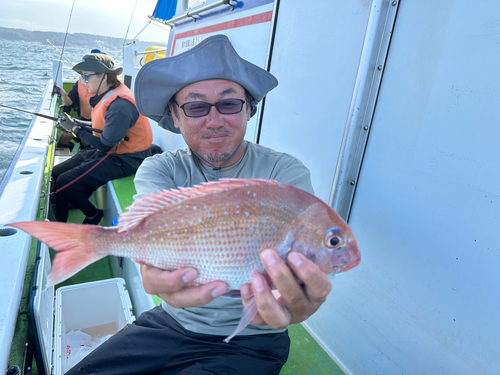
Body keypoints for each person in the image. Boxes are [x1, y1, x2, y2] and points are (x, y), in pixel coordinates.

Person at [66, 35, 332, 374]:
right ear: (175, 118)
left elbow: (303, 255)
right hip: (171, 321)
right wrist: (152, 271)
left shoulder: (285, 173)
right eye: (195, 107)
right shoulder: (160, 168)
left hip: (254, 337)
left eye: (229, 103)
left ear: (249, 108)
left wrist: (296, 299)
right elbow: (150, 230)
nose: (215, 119)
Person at [52, 53, 153, 224]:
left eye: (87, 76)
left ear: (104, 77)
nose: (84, 82)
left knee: (65, 181)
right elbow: (100, 127)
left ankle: (92, 214)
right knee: (57, 172)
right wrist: (74, 122)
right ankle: (60, 219)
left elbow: (105, 146)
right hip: (114, 150)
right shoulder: (110, 94)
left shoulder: (120, 105)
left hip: (126, 158)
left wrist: (75, 128)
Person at [56, 49, 102, 150]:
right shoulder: (79, 83)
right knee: (64, 137)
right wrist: (63, 93)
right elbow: (69, 102)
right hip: (82, 120)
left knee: (85, 141)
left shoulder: (108, 89)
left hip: (97, 125)